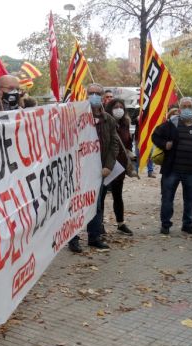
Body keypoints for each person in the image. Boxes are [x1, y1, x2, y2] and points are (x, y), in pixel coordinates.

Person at [68, 83, 120, 252]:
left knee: (96, 205)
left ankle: (94, 237)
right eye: (91, 93)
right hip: (79, 170)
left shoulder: (109, 120)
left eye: (98, 93)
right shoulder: (77, 117)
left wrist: (109, 166)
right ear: (86, 95)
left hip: (99, 171)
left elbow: (114, 145)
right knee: (76, 205)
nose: (94, 96)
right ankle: (73, 238)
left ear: (103, 95)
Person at [152, 97, 192, 235]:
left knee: (190, 200)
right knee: (167, 198)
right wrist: (164, 144)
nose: (186, 109)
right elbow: (155, 136)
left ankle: (187, 224)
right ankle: (165, 224)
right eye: (184, 106)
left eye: (189, 107)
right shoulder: (171, 124)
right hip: (172, 170)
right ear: (179, 109)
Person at [104, 98, 134, 236]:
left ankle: (121, 223)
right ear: (110, 108)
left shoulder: (125, 124)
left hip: (119, 166)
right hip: (105, 165)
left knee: (118, 195)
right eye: (115, 106)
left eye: (121, 106)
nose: (118, 109)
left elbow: (128, 143)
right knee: (101, 196)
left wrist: (130, 152)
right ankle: (99, 225)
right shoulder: (105, 123)